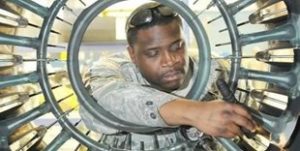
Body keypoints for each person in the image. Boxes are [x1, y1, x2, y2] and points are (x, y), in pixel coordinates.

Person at [80, 2, 256, 150]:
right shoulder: (110, 71)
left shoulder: (216, 72)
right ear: (132, 55)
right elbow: (100, 102)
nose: (170, 60)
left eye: (176, 47)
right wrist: (195, 112)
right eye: (153, 53)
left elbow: (256, 128)